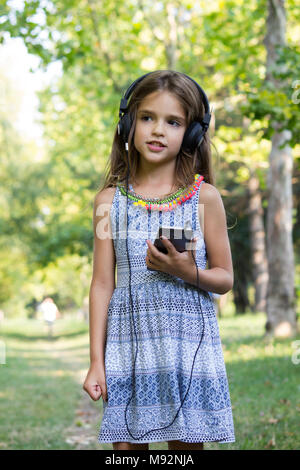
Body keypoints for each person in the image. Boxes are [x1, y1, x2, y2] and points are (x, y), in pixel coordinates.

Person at [83, 70, 235, 451]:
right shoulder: (108, 204)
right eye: (147, 117)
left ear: (192, 133)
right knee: (126, 452)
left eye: (173, 122)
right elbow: (103, 283)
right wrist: (95, 361)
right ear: (128, 124)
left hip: (187, 350)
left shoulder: (205, 199)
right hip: (129, 349)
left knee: (184, 451)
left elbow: (225, 278)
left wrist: (187, 271)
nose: (157, 130)